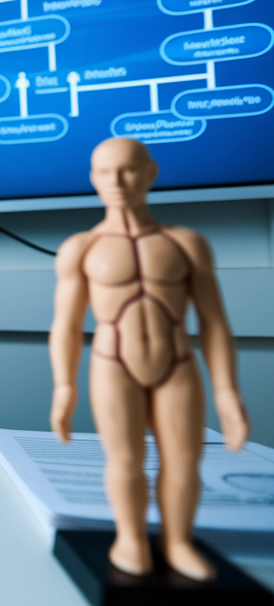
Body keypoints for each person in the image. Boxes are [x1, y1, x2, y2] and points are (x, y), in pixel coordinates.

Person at [49, 137, 249, 581]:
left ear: (151, 173)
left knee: (182, 461)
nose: (117, 182)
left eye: (128, 169)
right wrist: (65, 387)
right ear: (92, 180)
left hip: (177, 364)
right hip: (112, 365)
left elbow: (214, 322)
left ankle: (177, 542)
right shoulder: (80, 248)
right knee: (124, 460)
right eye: (104, 171)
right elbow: (66, 323)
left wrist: (227, 391)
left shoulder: (186, 243)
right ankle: (131, 538)